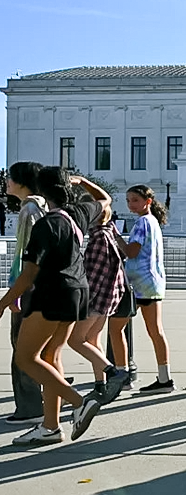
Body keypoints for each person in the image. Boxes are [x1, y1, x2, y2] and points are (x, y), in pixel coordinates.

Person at [0, 167, 103, 444]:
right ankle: (50, 427)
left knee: (25, 358)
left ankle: (79, 402)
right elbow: (104, 201)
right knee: (50, 357)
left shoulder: (45, 225)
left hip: (51, 293)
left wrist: (3, 303)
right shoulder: (79, 213)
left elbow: (28, 274)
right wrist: (84, 182)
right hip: (77, 291)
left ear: (42, 190)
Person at [68, 197, 132, 403]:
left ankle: (113, 372)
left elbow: (94, 276)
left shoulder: (98, 239)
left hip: (96, 299)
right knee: (93, 341)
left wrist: (84, 301)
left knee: (75, 340)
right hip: (107, 299)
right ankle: (100, 384)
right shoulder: (109, 233)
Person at [115, 185, 173, 394]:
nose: (131, 204)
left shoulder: (141, 223)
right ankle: (164, 377)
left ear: (147, 201)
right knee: (156, 331)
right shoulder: (153, 221)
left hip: (138, 283)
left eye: (135, 200)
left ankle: (122, 376)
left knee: (115, 328)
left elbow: (131, 252)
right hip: (152, 282)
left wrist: (116, 237)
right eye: (128, 200)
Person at [4, 161, 46, 426]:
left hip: (28, 287)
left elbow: (25, 255)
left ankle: (29, 407)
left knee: (21, 348)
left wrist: (15, 293)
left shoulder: (29, 210)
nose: (6, 181)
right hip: (39, 286)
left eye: (10, 177)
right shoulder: (40, 207)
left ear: (22, 182)